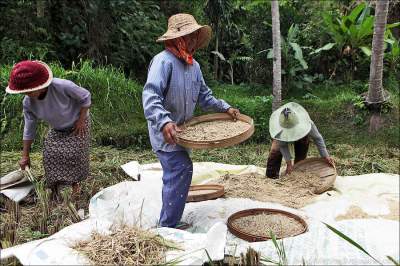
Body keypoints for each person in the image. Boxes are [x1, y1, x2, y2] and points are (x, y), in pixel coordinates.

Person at [142, 13, 239, 229]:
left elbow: (205, 96)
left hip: (185, 134)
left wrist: (226, 107)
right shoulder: (163, 62)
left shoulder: (193, 66)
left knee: (178, 173)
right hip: (165, 133)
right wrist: (164, 122)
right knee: (180, 169)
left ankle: (171, 219)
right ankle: (167, 227)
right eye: (190, 36)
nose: (194, 40)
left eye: (195, 36)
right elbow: (150, 97)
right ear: (178, 39)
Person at [6, 60, 91, 199]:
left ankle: (75, 186)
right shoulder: (28, 103)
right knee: (50, 154)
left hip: (78, 123)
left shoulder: (62, 86)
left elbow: (86, 97)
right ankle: (55, 189)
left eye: (29, 90)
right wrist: (25, 155)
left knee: (74, 155)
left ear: (41, 85)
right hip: (58, 128)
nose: (27, 93)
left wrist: (81, 120)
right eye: (24, 91)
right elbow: (29, 128)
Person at [266, 102, 334, 178]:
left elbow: (317, 138)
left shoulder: (307, 124)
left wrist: (325, 155)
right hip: (283, 136)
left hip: (301, 136)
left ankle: (297, 175)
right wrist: (289, 164)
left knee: (302, 149)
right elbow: (283, 146)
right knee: (275, 151)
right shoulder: (279, 130)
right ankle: (271, 177)